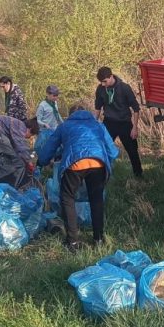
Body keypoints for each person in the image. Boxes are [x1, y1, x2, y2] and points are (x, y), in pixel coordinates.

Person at [37, 104, 120, 252]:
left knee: (67, 198)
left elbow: (50, 146)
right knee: (96, 199)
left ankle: (72, 241)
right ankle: (98, 239)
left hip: (75, 164)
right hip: (97, 163)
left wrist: (41, 162)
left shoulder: (65, 126)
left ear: (70, 115)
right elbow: (112, 150)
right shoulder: (98, 125)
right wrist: (109, 161)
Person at [94, 67, 142, 177]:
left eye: (104, 81)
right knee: (103, 148)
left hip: (124, 123)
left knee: (132, 150)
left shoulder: (124, 88)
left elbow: (136, 109)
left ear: (111, 77)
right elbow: (97, 108)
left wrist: (134, 127)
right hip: (109, 123)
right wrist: (92, 125)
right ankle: (103, 175)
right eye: (101, 82)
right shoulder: (101, 89)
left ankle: (138, 175)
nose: (102, 84)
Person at [0, 115, 33, 187]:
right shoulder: (21, 127)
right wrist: (29, 161)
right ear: (30, 129)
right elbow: (21, 146)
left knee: (5, 157)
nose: (28, 137)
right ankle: (11, 185)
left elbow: (14, 146)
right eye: (31, 135)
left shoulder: (15, 123)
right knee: (17, 162)